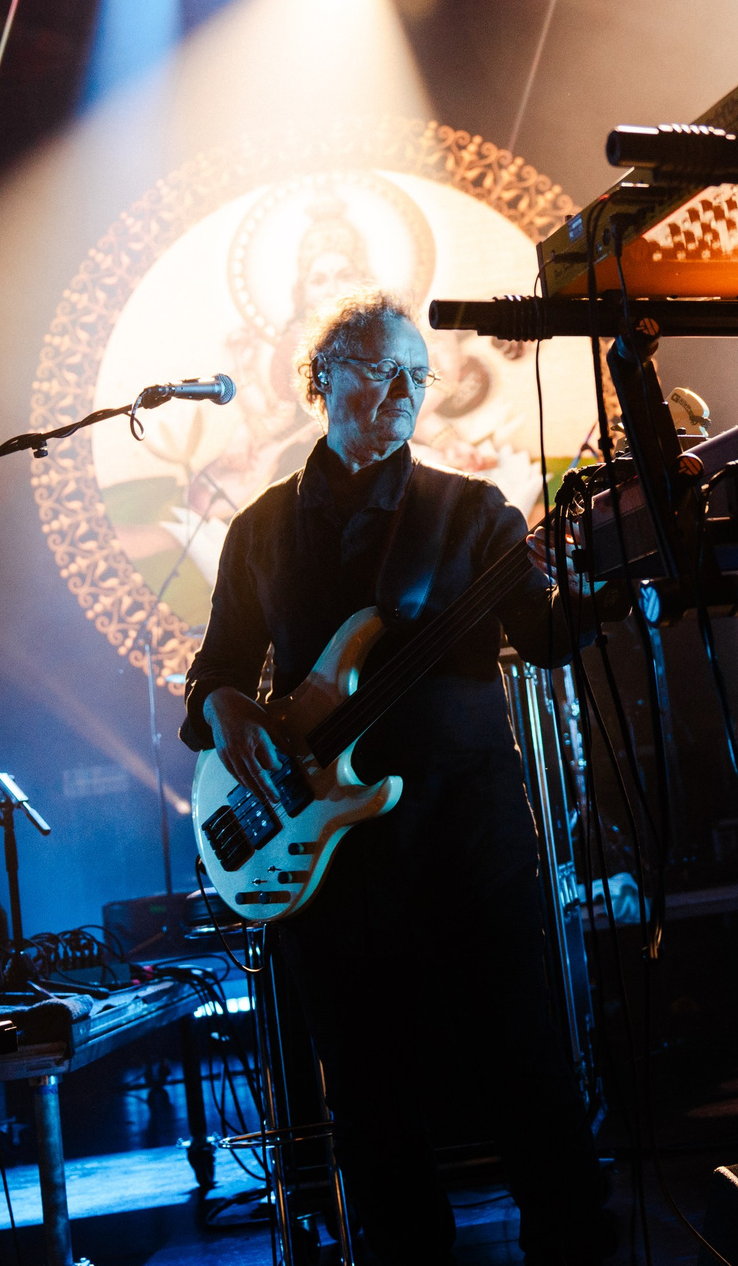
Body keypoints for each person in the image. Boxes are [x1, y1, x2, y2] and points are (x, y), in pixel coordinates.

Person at [182, 289, 613, 1264]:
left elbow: (546, 640)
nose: (404, 393)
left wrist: (614, 571)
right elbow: (215, 670)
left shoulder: (471, 515)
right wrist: (224, 707)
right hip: (329, 863)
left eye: (418, 379)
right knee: (372, 1109)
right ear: (324, 376)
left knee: (529, 1079)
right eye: (382, 372)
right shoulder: (257, 532)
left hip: (468, 839)